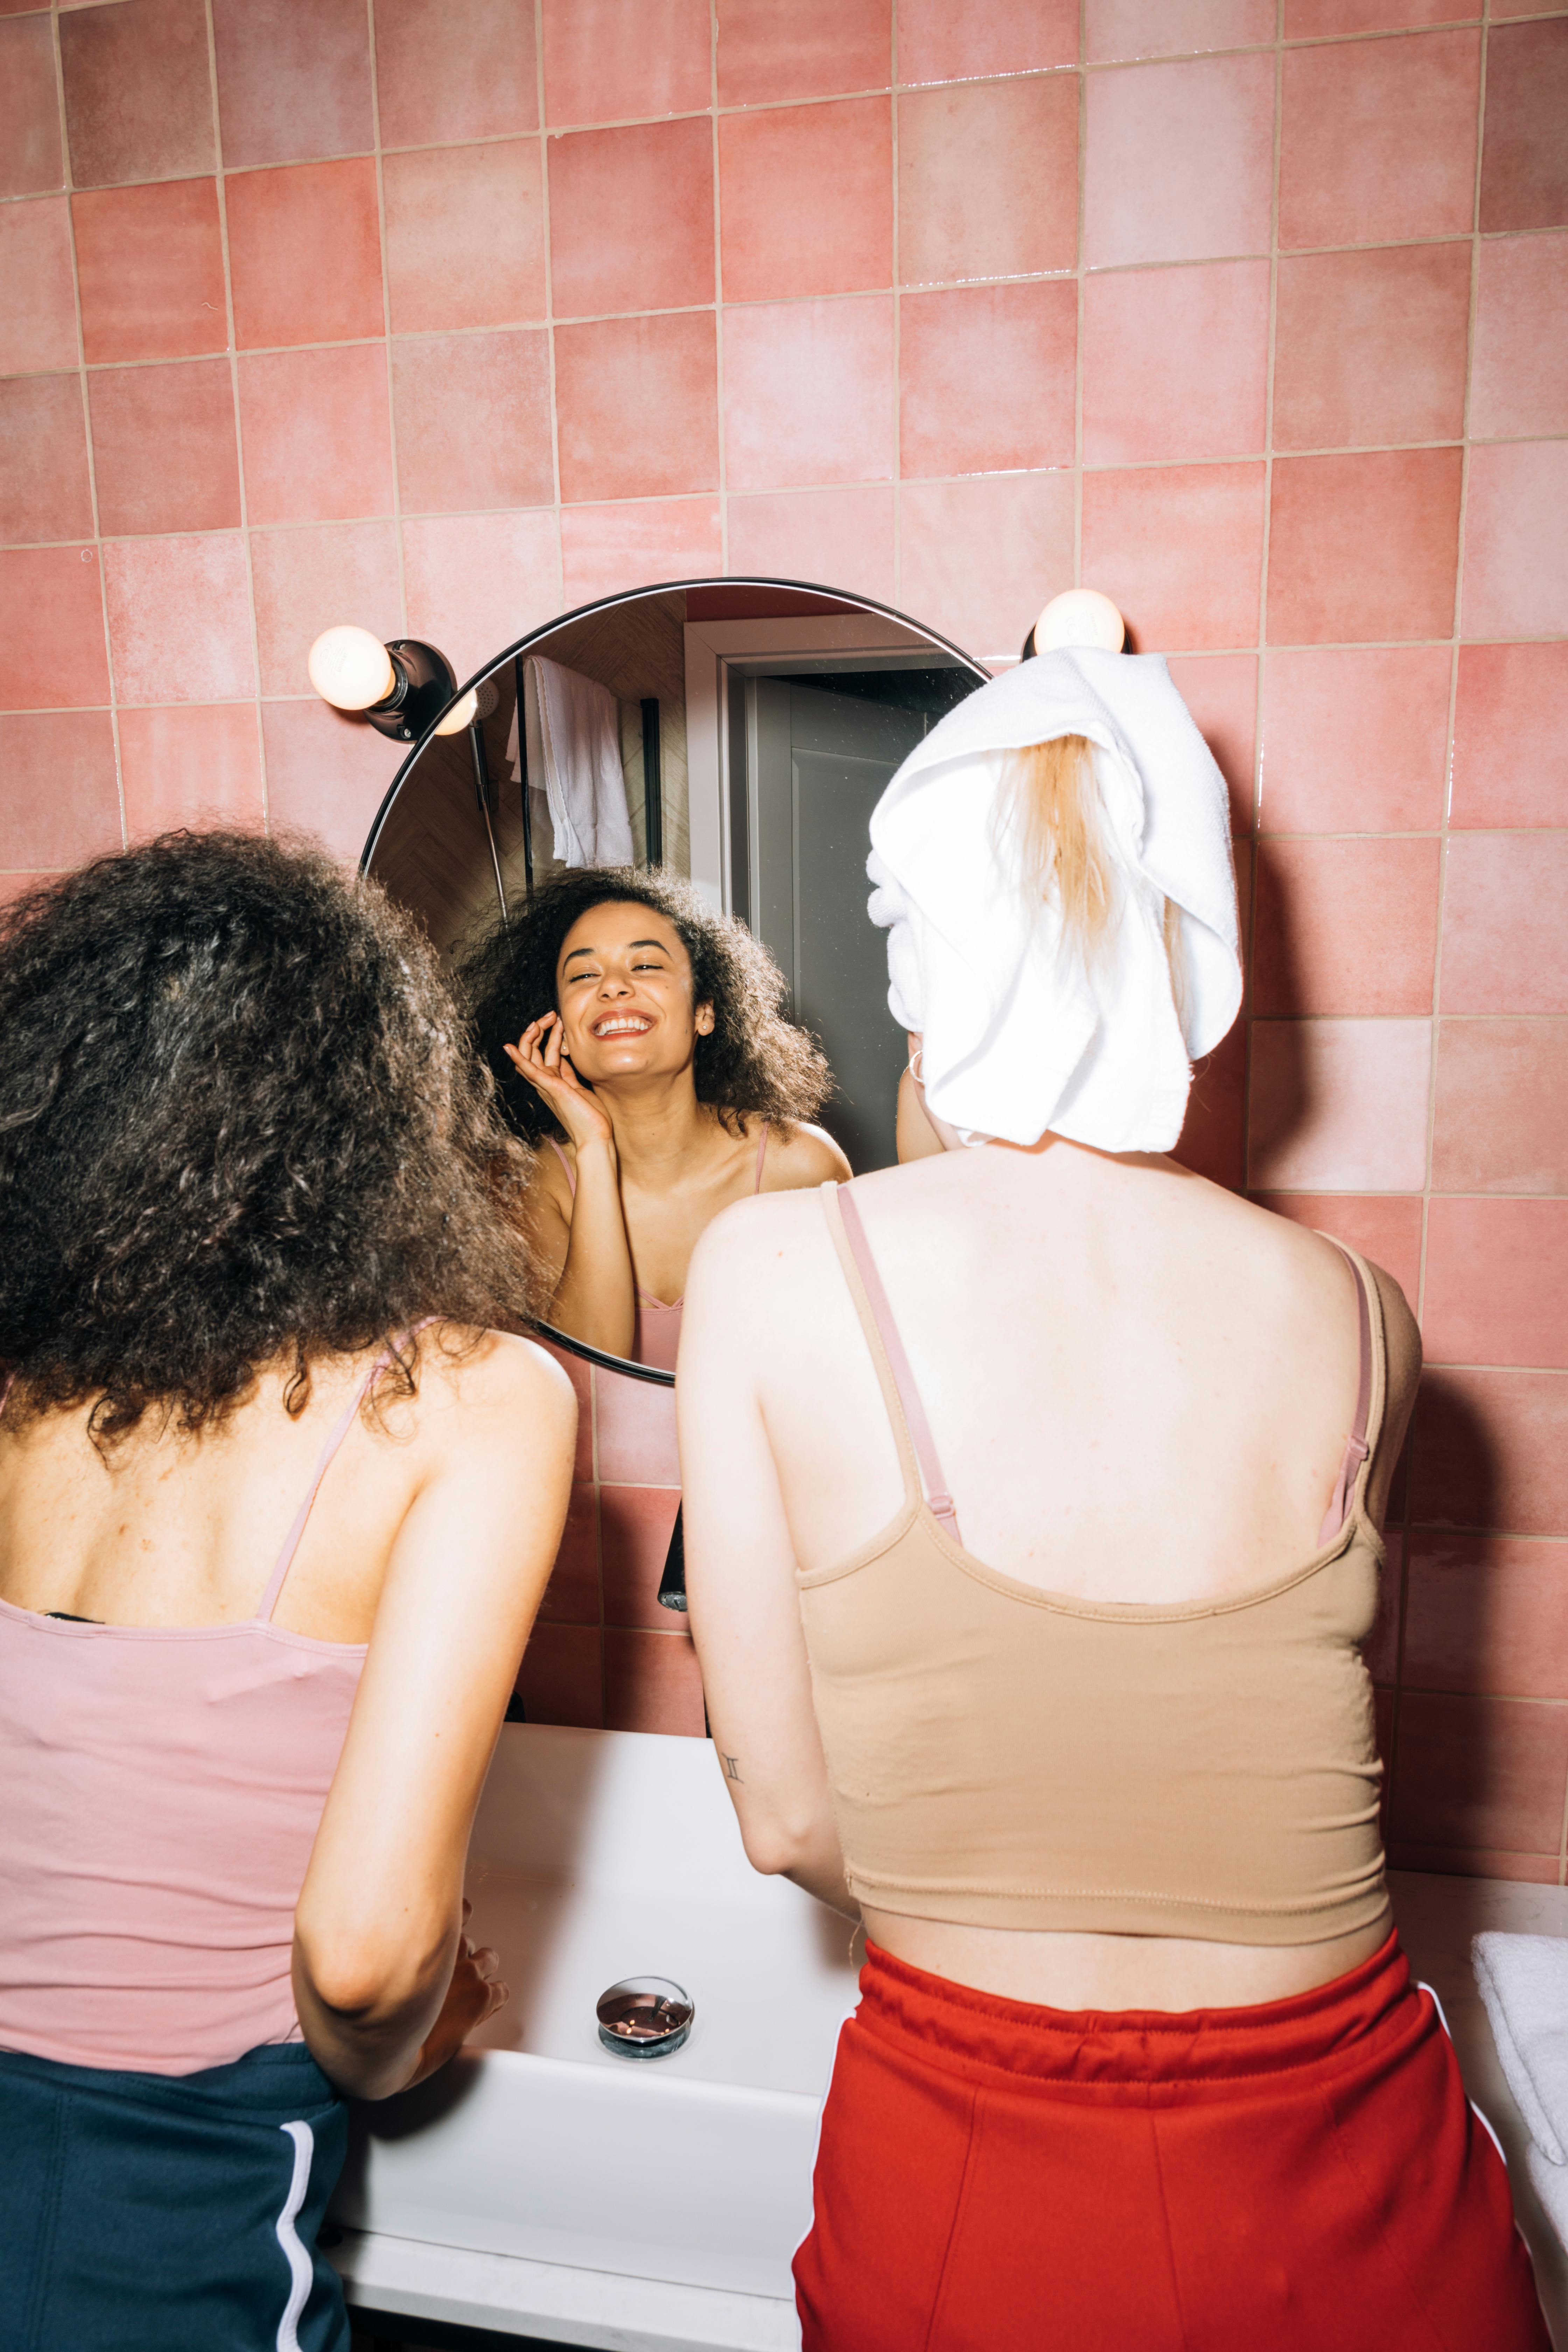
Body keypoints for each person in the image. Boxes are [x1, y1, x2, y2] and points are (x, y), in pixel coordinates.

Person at [677, 637, 1548, 2349]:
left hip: (982, 2173)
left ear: (922, 949)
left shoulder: (778, 1266)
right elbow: (1311, 1755)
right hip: (1371, 2168)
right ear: (1195, 958)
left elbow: (785, 1821)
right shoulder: (1360, 1307)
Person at [0, 833, 576, 2352]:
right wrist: (408, 2039)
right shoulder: (465, 1399)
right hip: (166, 2190)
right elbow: (370, 1957)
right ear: (375, 1104)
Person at [462, 868, 849, 1370]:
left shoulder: (800, 1166)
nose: (614, 988)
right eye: (584, 975)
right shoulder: (531, 1184)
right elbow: (589, 1373)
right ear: (557, 1024)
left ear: (704, 1013)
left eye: (645, 966)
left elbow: (845, 1370)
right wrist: (594, 1148)